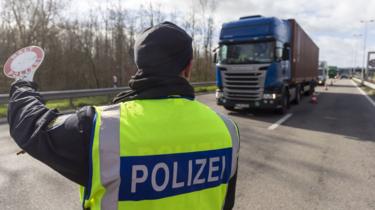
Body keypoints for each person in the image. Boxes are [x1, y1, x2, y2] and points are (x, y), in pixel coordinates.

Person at [8, 22, 240, 210]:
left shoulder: (100, 128)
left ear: (139, 65)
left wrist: (23, 83)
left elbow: (30, 126)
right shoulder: (227, 130)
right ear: (189, 67)